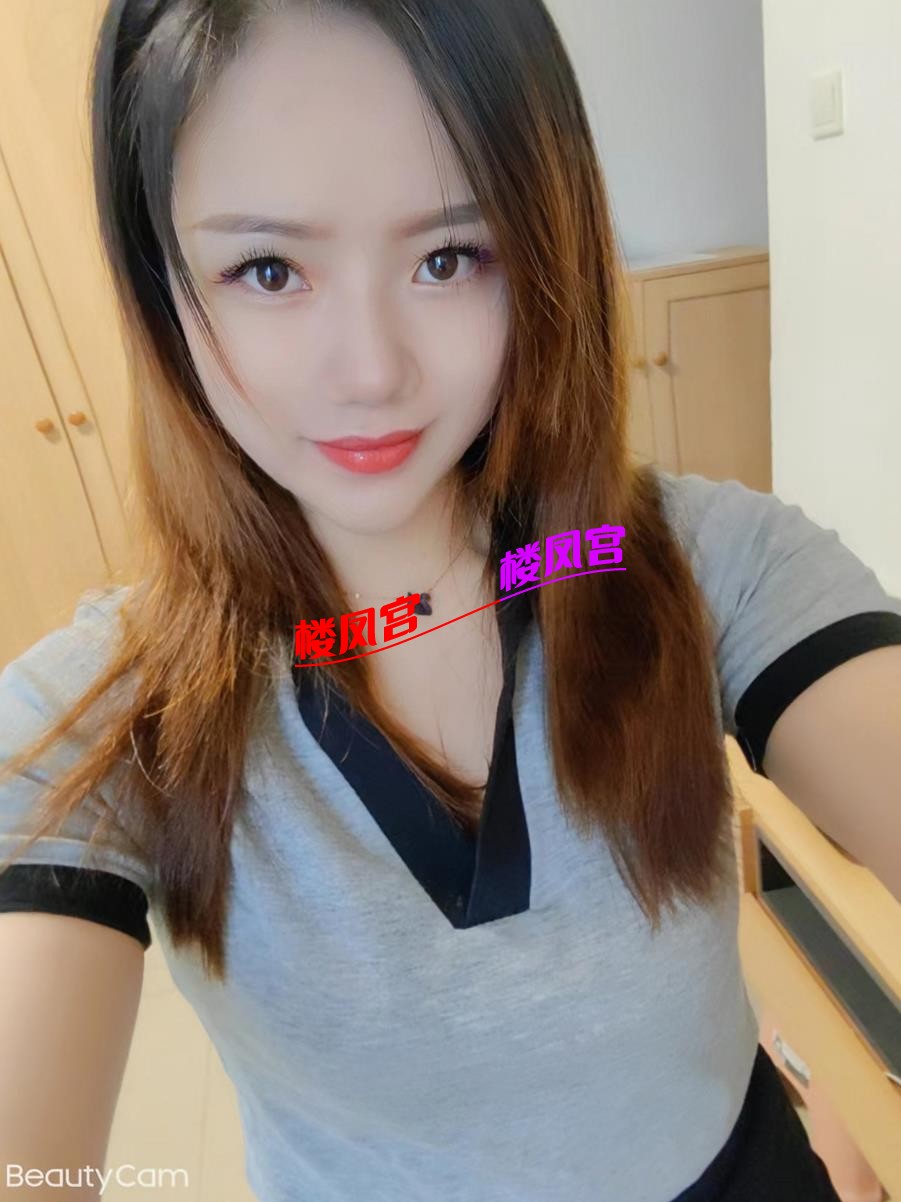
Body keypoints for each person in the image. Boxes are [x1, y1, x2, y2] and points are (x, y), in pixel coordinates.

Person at [1, 2, 899, 1199]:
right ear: (164, 290)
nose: (371, 370)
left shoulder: (712, 564)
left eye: (448, 256)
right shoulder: (100, 720)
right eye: (267, 270)